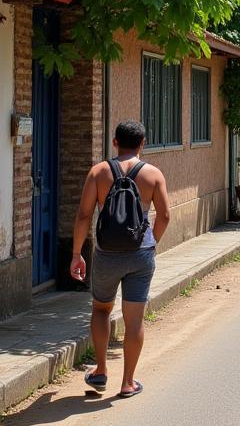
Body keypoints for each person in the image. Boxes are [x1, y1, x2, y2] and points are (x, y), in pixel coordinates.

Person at [71, 120, 171, 398]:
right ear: (143, 143)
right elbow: (164, 215)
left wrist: (77, 253)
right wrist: (151, 244)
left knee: (101, 309)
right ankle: (127, 382)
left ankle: (101, 370)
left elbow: (83, 215)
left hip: (106, 254)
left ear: (114, 142)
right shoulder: (153, 174)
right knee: (134, 320)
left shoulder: (99, 172)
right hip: (140, 254)